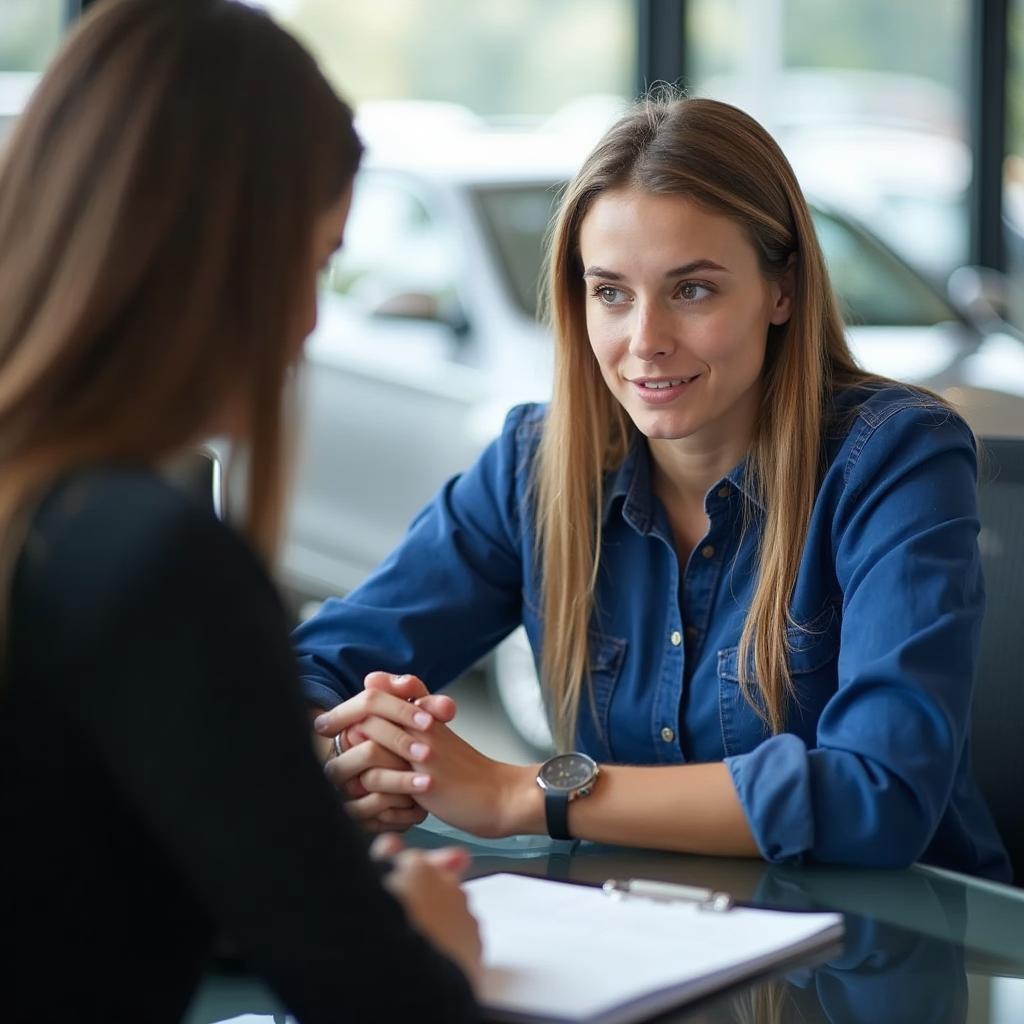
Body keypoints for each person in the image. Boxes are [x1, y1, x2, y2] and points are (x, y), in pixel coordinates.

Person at [296, 94, 1011, 883]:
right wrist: (356, 751)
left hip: (879, 960)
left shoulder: (895, 454)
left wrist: (522, 794)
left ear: (782, 290)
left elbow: (880, 790)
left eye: (692, 289)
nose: (645, 342)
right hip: (636, 945)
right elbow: (320, 665)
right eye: (611, 292)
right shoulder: (537, 463)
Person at [0, 1, 481, 1021]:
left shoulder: (46, 524)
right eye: (310, 265)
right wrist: (432, 944)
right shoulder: (153, 559)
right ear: (225, 254)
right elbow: (385, 1001)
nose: (309, 323)